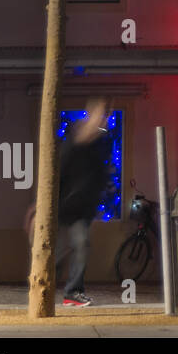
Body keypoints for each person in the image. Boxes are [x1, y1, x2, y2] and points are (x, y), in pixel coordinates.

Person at [57, 99, 113, 307]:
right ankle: (61, 290)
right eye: (100, 115)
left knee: (79, 247)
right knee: (63, 251)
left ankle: (72, 292)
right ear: (90, 115)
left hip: (83, 207)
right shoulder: (75, 140)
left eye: (104, 116)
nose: (103, 120)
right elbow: (60, 173)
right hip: (67, 205)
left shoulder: (100, 143)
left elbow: (99, 176)